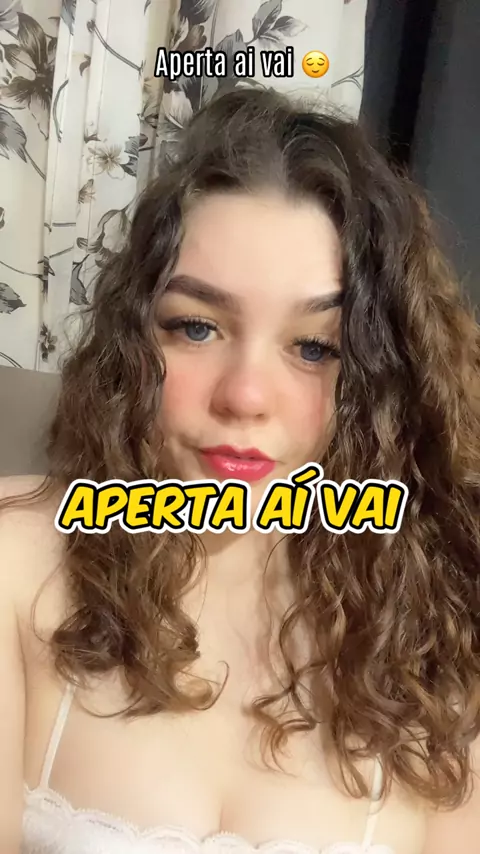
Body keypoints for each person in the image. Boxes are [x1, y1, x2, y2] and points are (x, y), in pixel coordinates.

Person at [0, 88, 479, 854]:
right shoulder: (18, 564)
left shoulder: (441, 647)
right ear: (134, 341)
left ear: (384, 383)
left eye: (315, 347)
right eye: (197, 328)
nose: (246, 396)